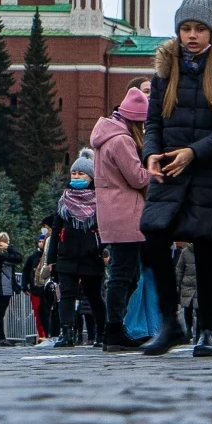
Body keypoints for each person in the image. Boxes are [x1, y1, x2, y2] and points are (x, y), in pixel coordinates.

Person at [139, 0, 212, 358]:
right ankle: (171, 323)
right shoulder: (165, 71)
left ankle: (210, 330)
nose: (192, 35)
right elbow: (152, 121)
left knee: (208, 251)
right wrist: (150, 153)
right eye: (186, 28)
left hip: (208, 172)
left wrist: (193, 152)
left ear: (211, 31)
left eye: (199, 28)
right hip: (168, 171)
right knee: (153, 242)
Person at [91, 87, 152, 351]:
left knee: (125, 273)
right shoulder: (122, 140)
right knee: (123, 275)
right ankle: (114, 329)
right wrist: (156, 170)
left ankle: (115, 328)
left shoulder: (107, 136)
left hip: (114, 212)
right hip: (127, 213)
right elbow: (137, 178)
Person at [41, 150, 105, 348]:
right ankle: (66, 332)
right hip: (66, 256)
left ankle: (102, 333)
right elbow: (56, 229)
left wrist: (103, 250)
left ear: (91, 177)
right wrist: (51, 259)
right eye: (74, 173)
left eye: (81, 174)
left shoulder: (100, 200)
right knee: (66, 296)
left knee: (94, 296)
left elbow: (105, 228)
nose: (76, 177)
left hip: (91, 256)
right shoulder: (64, 200)